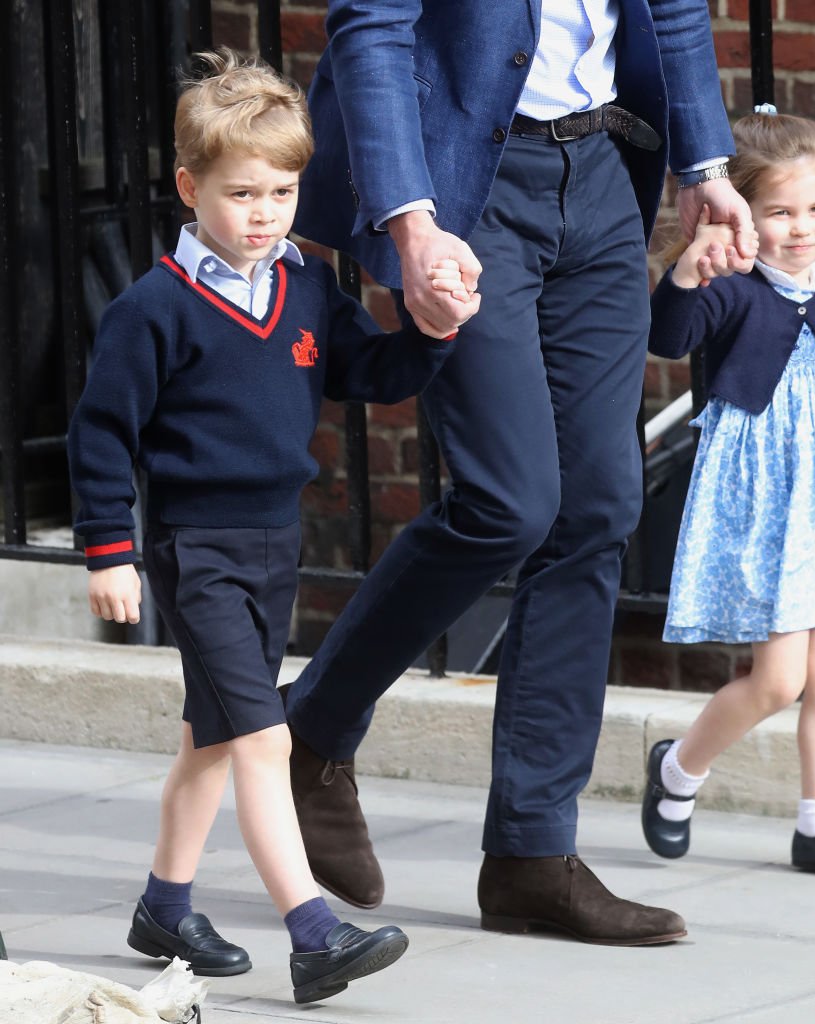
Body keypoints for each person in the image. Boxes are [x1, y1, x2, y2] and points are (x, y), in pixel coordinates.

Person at [285, 2, 758, 945]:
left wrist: (705, 166)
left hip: (601, 179)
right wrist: (410, 226)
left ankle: (534, 854)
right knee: (511, 502)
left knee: (598, 507)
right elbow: (371, 27)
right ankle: (314, 730)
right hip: (466, 181)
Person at [66, 49, 467, 1003]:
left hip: (270, 544)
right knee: (263, 737)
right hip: (191, 550)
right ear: (188, 187)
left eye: (283, 191)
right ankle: (313, 931)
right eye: (241, 192)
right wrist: (108, 551)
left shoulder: (304, 290)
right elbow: (99, 431)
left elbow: (369, 372)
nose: (265, 212)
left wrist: (434, 331)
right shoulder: (152, 309)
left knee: (210, 740)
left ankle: (165, 905)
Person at [641, 109, 815, 880]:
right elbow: (670, 337)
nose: (802, 229)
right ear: (746, 212)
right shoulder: (734, 290)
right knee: (778, 679)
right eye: (781, 212)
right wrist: (689, 272)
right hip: (768, 498)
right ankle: (678, 770)